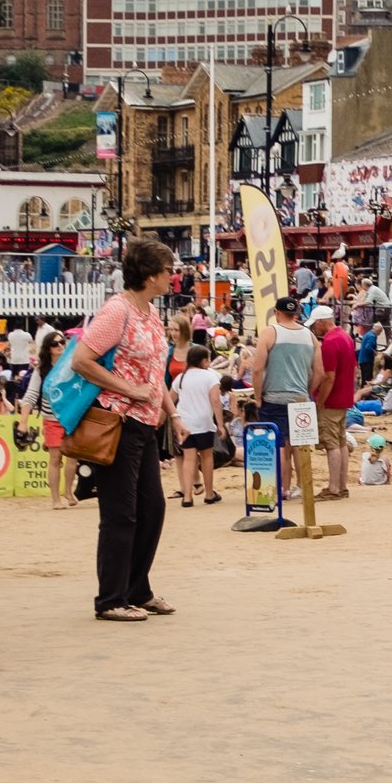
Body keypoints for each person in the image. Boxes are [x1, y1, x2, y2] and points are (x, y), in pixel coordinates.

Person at [72, 237, 178, 622]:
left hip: (145, 422)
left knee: (151, 508)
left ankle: (137, 588)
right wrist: (129, 389)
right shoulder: (117, 311)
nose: (173, 276)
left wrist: (170, 411)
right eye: (168, 270)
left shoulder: (148, 312)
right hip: (118, 420)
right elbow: (82, 361)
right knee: (121, 513)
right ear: (150, 274)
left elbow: (154, 371)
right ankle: (111, 598)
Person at [246, 294, 322, 478]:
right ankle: (302, 486)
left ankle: (283, 487)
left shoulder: (269, 333)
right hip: (300, 397)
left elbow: (257, 369)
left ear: (276, 312)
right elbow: (319, 372)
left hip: (274, 397)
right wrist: (306, 391)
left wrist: (257, 397)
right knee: (300, 445)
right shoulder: (310, 336)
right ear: (295, 313)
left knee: (279, 445)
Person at [22, 331, 78, 510]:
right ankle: (56, 499)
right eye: (55, 344)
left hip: (71, 416)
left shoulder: (72, 365)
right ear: (48, 349)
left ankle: (68, 491)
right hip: (51, 418)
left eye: (62, 342)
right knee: (55, 458)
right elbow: (31, 395)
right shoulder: (42, 370)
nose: (60, 346)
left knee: (73, 458)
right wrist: (23, 421)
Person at [308, 304, 357, 498]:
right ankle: (341, 485)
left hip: (332, 399)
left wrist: (321, 399)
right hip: (344, 397)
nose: (314, 328)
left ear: (321, 322)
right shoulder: (345, 337)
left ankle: (334, 487)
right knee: (340, 440)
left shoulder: (330, 342)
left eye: (315, 324)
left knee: (331, 443)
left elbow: (329, 376)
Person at [172, 341, 225, 508]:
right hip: (204, 421)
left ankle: (187, 496)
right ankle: (209, 493)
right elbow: (216, 402)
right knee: (206, 456)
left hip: (185, 423)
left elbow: (170, 398)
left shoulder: (181, 377)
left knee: (189, 458)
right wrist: (221, 425)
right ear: (204, 361)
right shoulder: (211, 376)